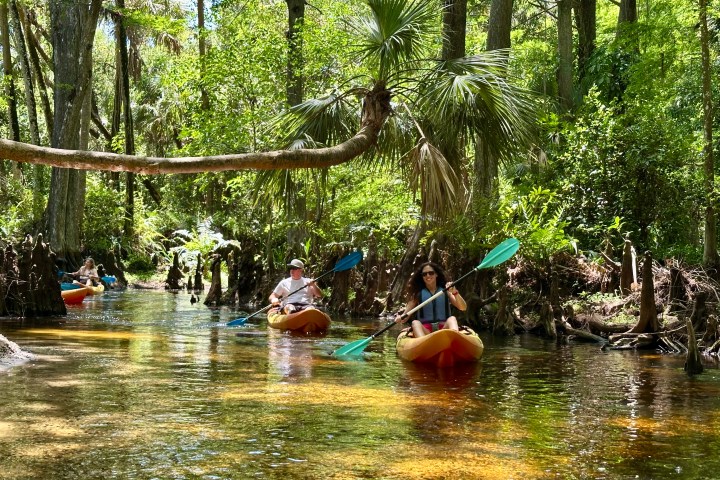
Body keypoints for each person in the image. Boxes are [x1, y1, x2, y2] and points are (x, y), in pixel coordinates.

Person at [394, 261, 467, 337]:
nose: (427, 275)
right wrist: (400, 318)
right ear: (422, 277)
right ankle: (423, 343)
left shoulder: (446, 291)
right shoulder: (417, 294)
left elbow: (463, 307)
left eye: (431, 273)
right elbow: (405, 317)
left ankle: (454, 340)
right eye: (424, 274)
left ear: (436, 274)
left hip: (444, 329)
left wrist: (455, 292)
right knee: (415, 322)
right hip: (426, 331)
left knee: (452, 319)